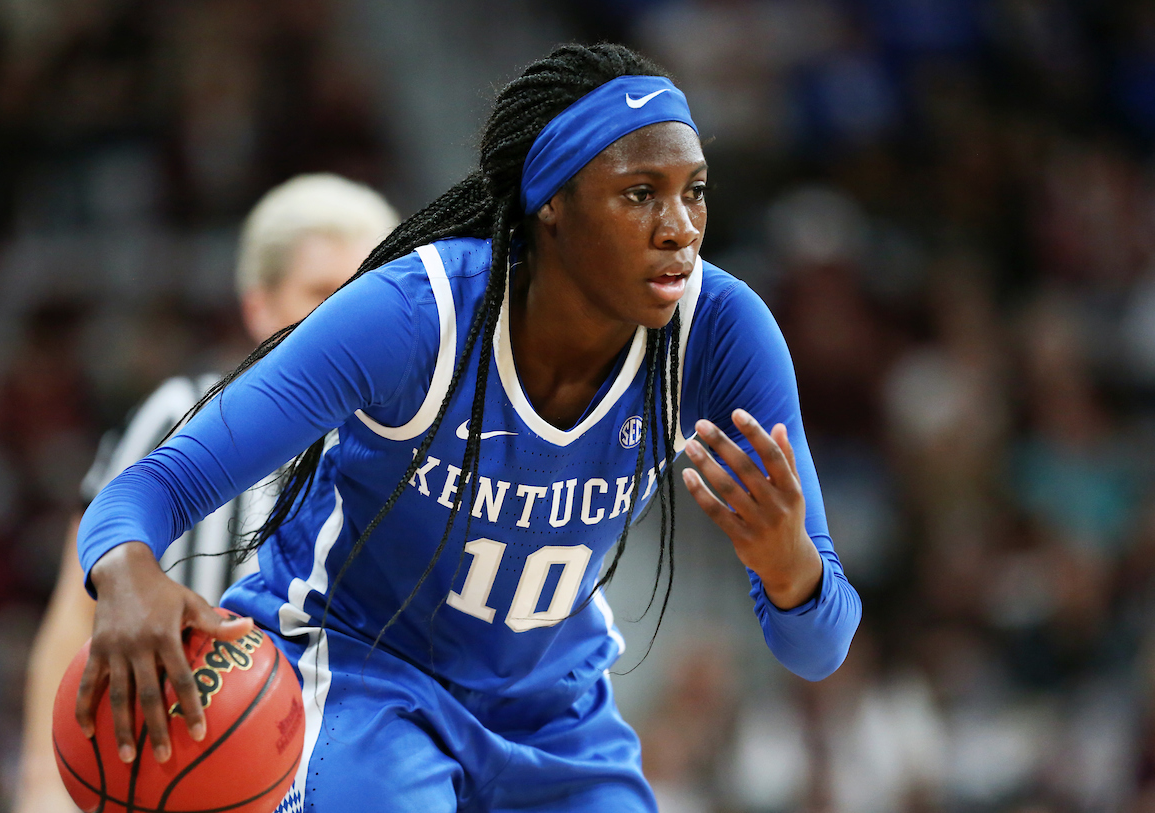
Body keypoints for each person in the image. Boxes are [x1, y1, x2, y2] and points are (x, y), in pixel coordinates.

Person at [74, 43, 862, 812]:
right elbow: (159, 482)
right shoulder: (417, 316)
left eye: (694, 191)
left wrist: (788, 564)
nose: (680, 227)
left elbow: (819, 647)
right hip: (364, 673)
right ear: (549, 201)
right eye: (640, 193)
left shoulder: (718, 332)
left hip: (554, 710)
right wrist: (125, 569)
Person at [12, 174, 399, 813]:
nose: (346, 319)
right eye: (322, 293)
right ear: (258, 305)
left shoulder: (425, 456)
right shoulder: (181, 416)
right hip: (187, 771)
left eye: (366, 294)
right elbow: (76, 615)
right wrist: (39, 787)